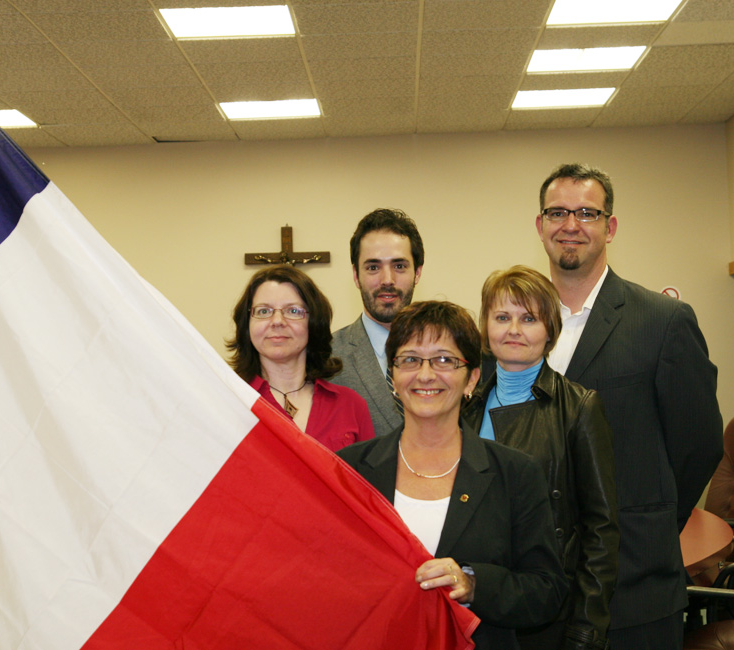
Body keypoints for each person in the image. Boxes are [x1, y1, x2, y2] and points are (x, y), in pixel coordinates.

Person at [535, 163, 723, 650]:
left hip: (635, 587)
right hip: (541, 590)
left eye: (587, 213)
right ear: (540, 225)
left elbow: (699, 445)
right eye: (557, 212)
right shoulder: (514, 328)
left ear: (610, 227)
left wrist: (652, 521)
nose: (570, 225)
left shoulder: (663, 321)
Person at [338, 301, 568, 650]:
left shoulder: (516, 474)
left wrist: (474, 584)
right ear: (394, 376)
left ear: (472, 377)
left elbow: (546, 592)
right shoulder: (350, 470)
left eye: (444, 360)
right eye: (410, 359)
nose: (426, 374)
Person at [463, 265, 618, 650]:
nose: (513, 329)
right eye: (502, 317)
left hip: (546, 612)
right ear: (486, 327)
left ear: (550, 330)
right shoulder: (463, 406)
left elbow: (601, 530)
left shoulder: (579, 407)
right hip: (472, 605)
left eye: (528, 318)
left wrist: (586, 629)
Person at [227, 265, 374, 452]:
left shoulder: (350, 405)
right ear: (246, 324)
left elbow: (365, 480)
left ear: (313, 323)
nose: (277, 321)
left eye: (293, 311)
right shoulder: (229, 402)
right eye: (264, 311)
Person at [330, 208, 424, 436]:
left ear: (418, 273)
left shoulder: (450, 354)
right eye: (373, 267)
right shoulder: (326, 357)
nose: (387, 280)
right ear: (355, 276)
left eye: (399, 266)